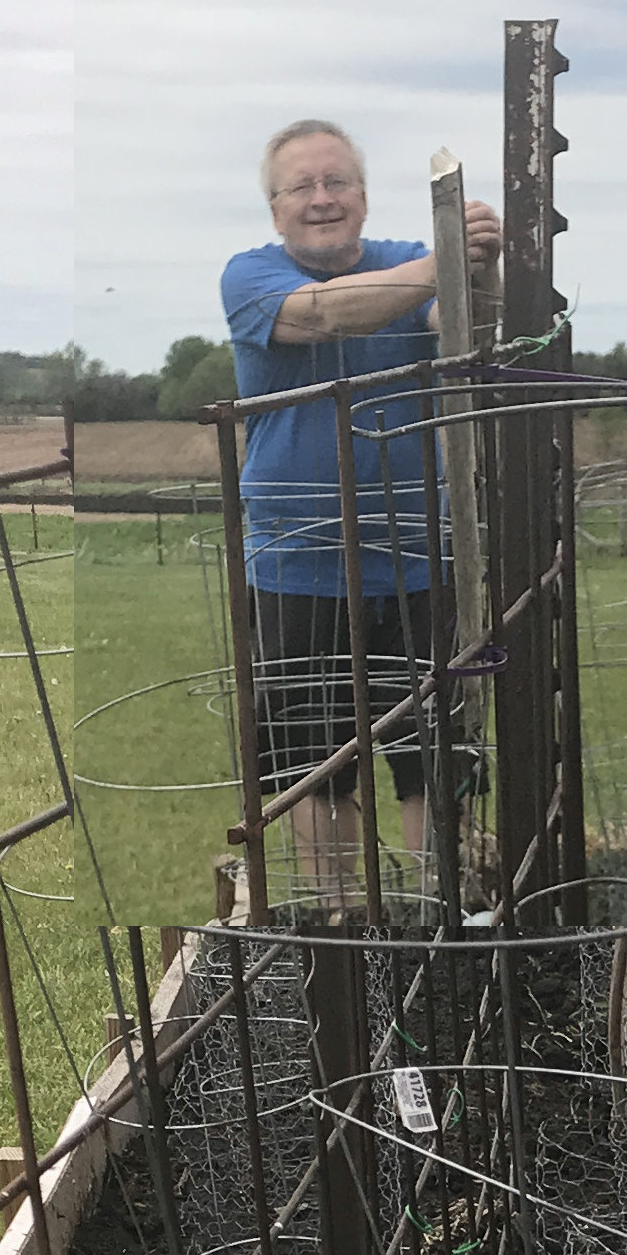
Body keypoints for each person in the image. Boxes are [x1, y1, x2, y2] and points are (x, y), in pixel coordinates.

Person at [219, 118, 497, 901]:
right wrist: (443, 261)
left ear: (364, 197)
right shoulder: (250, 277)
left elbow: (461, 325)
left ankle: (437, 930)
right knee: (317, 768)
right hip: (298, 564)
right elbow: (327, 315)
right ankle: (346, 937)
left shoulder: (410, 268)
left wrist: (478, 268)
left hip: (419, 561)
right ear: (274, 209)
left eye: (336, 181)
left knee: (435, 763)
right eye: (300, 186)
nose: (321, 198)